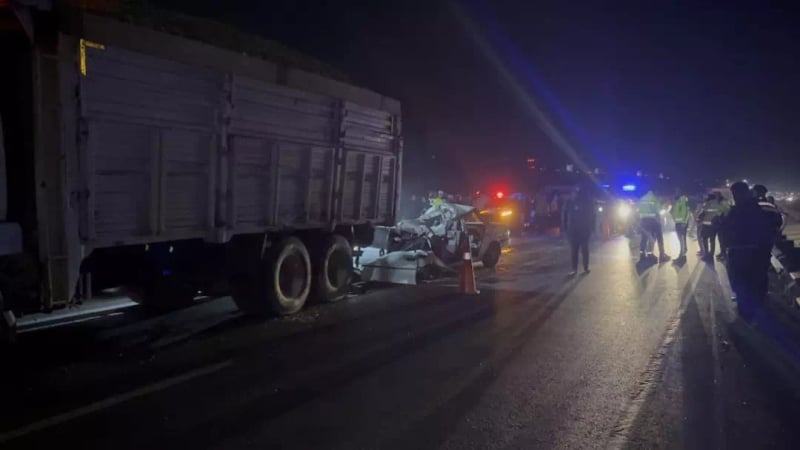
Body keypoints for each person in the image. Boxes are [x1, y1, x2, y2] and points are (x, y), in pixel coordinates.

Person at [720, 181, 780, 321]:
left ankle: (747, 313)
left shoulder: (736, 211)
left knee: (743, 281)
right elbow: (776, 224)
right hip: (755, 251)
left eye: (736, 194)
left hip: (743, 252)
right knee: (756, 280)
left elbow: (726, 230)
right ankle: (755, 309)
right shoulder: (760, 208)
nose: (735, 197)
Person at [561, 186, 595, 275]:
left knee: (584, 249)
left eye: (578, 192)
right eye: (574, 192)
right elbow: (564, 215)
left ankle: (585, 267)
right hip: (573, 230)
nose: (576, 194)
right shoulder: (569, 202)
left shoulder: (586, 202)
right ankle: (574, 269)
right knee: (574, 250)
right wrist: (564, 228)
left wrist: (592, 228)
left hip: (584, 229)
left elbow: (592, 215)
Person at [637, 190, 669, 262]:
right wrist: (665, 207)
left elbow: (638, 210)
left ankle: (642, 255)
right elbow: (659, 210)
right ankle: (661, 255)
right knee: (658, 237)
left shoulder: (642, 199)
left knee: (644, 238)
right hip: (653, 220)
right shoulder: (654, 199)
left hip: (643, 220)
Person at [698, 193, 722, 261]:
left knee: (705, 239)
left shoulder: (707, 204)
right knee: (712, 240)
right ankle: (711, 255)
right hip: (714, 225)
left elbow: (703, 213)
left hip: (706, 224)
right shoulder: (718, 204)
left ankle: (706, 255)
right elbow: (719, 213)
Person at [670, 191, 690, 260]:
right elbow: (673, 213)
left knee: (681, 239)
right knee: (681, 239)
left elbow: (687, 213)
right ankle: (683, 253)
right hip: (679, 223)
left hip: (681, 224)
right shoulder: (678, 203)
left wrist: (684, 222)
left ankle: (682, 255)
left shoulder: (682, 203)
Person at [715, 192, 731, 260]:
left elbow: (721, 212)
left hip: (723, 223)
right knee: (721, 239)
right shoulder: (722, 202)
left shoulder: (723, 202)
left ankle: (724, 254)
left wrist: (717, 216)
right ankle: (722, 252)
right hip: (722, 222)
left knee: (723, 239)